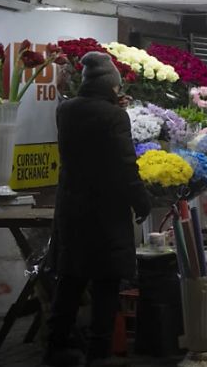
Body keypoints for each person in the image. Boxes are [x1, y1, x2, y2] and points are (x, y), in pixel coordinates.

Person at [45, 52, 151, 367]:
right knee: (106, 282)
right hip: (106, 211)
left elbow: (83, 118)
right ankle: (99, 352)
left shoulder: (66, 111)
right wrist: (141, 201)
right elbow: (124, 164)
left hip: (71, 208)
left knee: (70, 280)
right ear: (111, 86)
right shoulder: (115, 117)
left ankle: (55, 348)